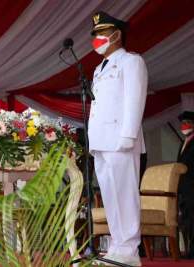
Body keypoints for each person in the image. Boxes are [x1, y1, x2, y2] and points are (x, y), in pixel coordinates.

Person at [88, 11, 147, 266]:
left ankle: (130, 251)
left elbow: (135, 100)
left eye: (102, 33)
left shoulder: (131, 62)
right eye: (96, 35)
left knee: (125, 195)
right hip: (101, 140)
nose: (98, 39)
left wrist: (128, 135)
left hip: (121, 139)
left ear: (116, 35)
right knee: (111, 196)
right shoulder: (98, 69)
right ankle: (116, 247)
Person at [177, 111, 194, 258]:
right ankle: (190, 250)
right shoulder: (184, 142)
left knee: (193, 218)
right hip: (183, 186)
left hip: (192, 185)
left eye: (187, 122)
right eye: (182, 123)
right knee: (187, 218)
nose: (184, 126)